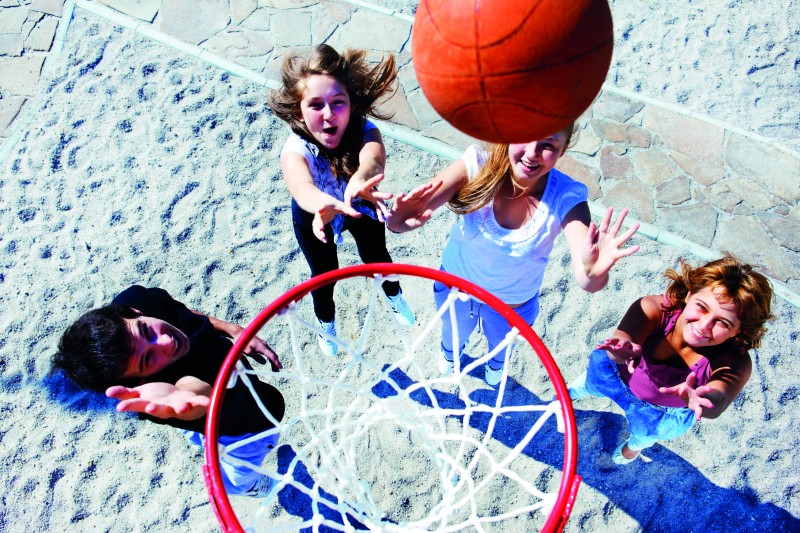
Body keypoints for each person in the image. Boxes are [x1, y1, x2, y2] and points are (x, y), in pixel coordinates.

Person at [387, 124, 640, 386]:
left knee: (501, 347)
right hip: (455, 289)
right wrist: (397, 220)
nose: (533, 153)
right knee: (452, 333)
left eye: (548, 145)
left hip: (511, 306)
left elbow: (587, 279)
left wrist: (594, 272)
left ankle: (495, 366)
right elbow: (403, 219)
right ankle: (451, 355)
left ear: (563, 150)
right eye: (524, 137)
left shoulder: (566, 196)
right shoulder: (476, 165)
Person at [52, 285, 285, 497]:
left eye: (146, 331)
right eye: (147, 359)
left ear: (134, 311)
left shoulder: (139, 300)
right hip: (241, 433)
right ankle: (246, 487)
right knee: (241, 469)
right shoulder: (166, 392)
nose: (164, 341)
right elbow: (195, 391)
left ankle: (197, 436)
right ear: (141, 380)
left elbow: (181, 313)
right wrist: (184, 401)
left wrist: (231, 329)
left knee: (197, 434)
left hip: (233, 401)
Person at [267, 44, 414, 357]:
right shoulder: (295, 149)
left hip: (359, 202)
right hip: (316, 215)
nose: (329, 114)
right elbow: (301, 185)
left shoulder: (365, 130)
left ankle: (393, 294)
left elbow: (373, 160)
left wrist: (361, 180)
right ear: (298, 110)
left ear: (352, 103)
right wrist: (322, 202)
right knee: (323, 275)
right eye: (316, 105)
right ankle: (326, 322)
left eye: (338, 102)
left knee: (377, 255)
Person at [568, 256, 774, 464]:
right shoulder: (654, 308)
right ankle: (572, 393)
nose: (704, 326)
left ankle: (632, 449)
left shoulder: (735, 361)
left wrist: (705, 400)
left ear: (739, 331)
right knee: (588, 383)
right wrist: (620, 351)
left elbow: (719, 398)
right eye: (702, 307)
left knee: (643, 436)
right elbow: (621, 342)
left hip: (658, 413)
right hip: (614, 376)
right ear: (690, 294)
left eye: (722, 322)